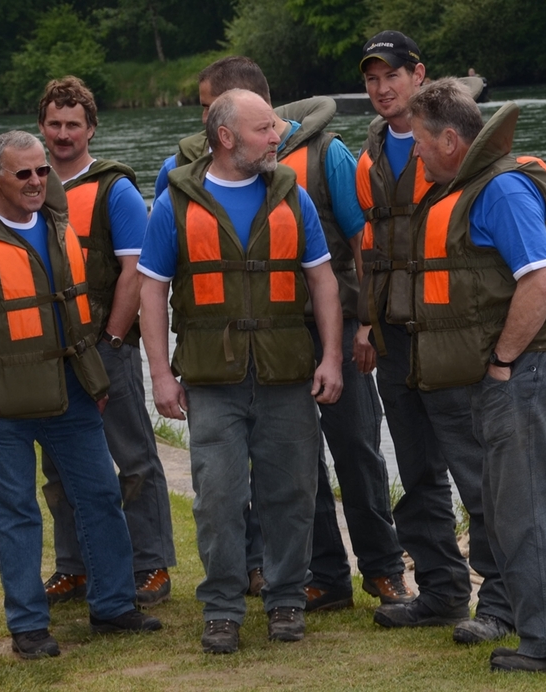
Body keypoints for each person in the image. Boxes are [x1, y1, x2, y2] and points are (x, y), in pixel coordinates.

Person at [158, 56, 412, 611]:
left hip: (335, 328)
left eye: (206, 107)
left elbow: (361, 241)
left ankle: (384, 568)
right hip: (260, 344)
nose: (200, 119)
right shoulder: (192, 170)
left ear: (245, 103)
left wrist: (366, 323)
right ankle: (323, 576)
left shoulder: (327, 155)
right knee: (297, 467)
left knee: (356, 448)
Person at [0, 130, 162, 660]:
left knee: (101, 497)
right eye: (23, 173)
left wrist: (95, 380)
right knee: (16, 512)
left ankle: (113, 606)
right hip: (0, 408)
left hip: (71, 399)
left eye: (42, 172)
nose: (37, 182)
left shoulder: (59, 227)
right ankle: (29, 626)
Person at [139, 89, 344, 653]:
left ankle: (285, 601)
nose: (277, 138)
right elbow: (152, 293)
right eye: (264, 130)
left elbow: (323, 281)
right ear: (226, 137)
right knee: (218, 497)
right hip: (212, 381)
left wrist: (331, 357)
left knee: (291, 494)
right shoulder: (174, 204)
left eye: (275, 129)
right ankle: (223, 609)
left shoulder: (291, 196)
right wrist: (160, 374)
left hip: (286, 375)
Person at [407, 79, 546, 673]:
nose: (414, 155)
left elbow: (540, 281)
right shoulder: (478, 185)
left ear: (452, 140)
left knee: (526, 504)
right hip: (528, 364)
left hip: (536, 363)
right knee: (518, 504)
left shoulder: (502, 189)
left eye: (420, 144)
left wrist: (502, 362)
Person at [356, 32, 510, 636]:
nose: (381, 88)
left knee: (477, 472)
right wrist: (366, 323)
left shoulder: (457, 143)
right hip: (394, 335)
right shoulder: (367, 152)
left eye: (390, 74)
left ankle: (501, 601)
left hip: (452, 333)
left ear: (418, 75)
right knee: (417, 469)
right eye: (371, 79)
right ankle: (442, 591)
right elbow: (365, 246)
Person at [35, 76, 176, 608]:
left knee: (133, 456)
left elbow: (135, 272)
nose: (64, 133)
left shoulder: (114, 188)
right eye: (55, 124)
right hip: (48, 355)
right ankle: (73, 566)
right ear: (42, 127)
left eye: (74, 124)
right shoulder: (29, 184)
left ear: (91, 128)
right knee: (59, 463)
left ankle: (150, 565)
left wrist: (114, 339)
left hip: (106, 348)